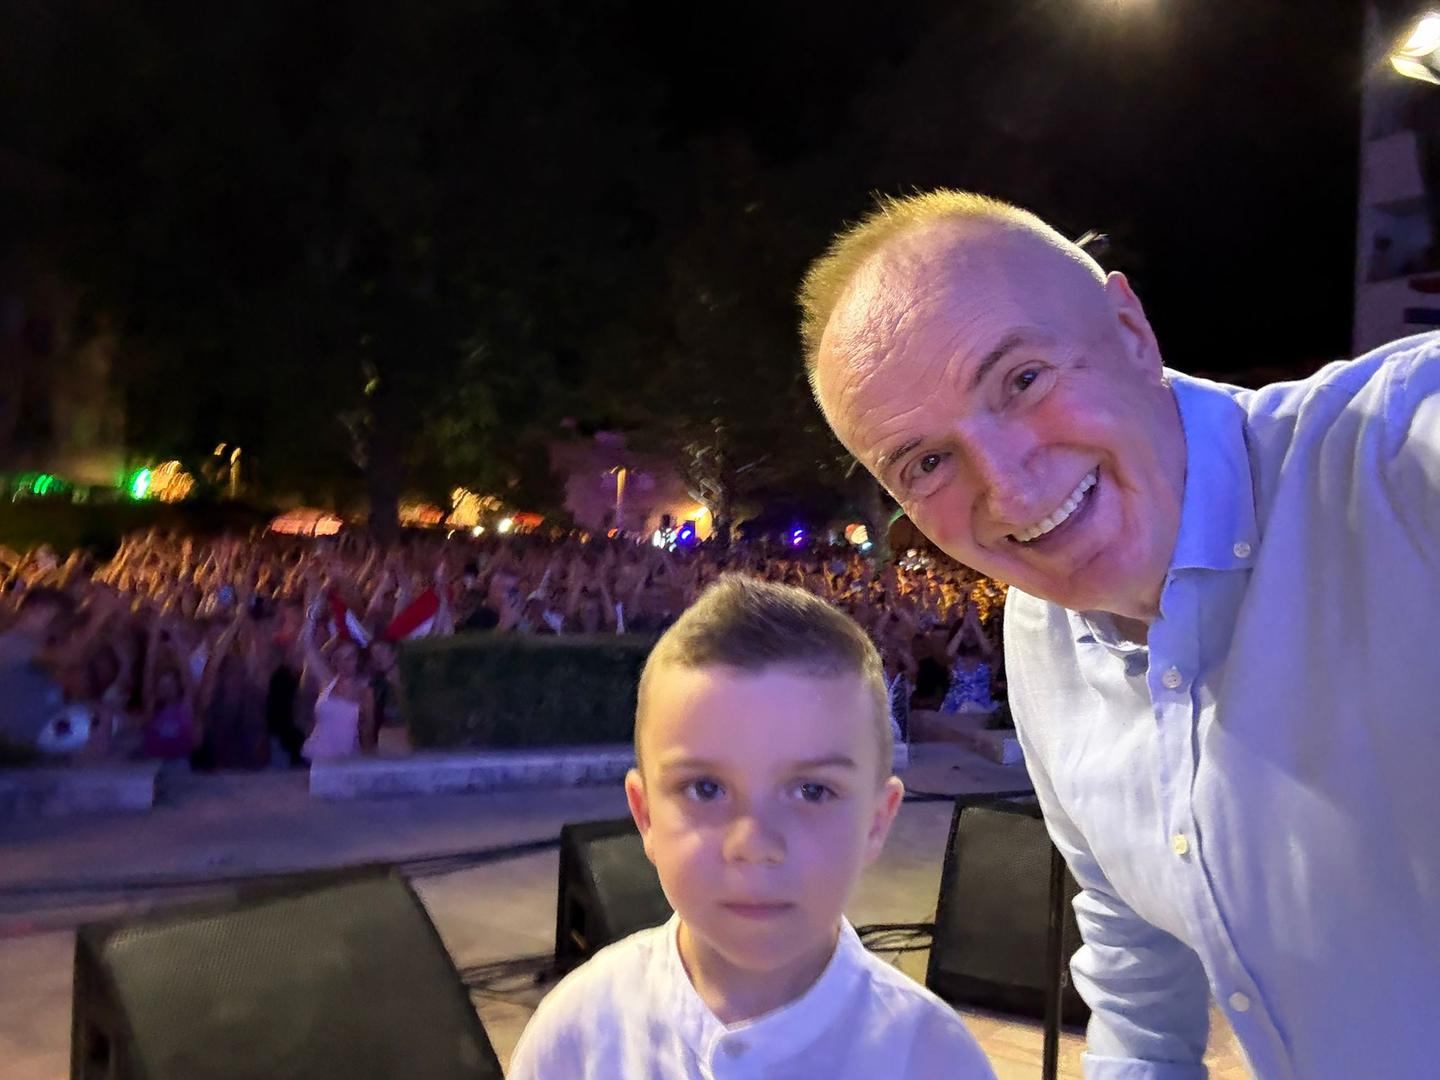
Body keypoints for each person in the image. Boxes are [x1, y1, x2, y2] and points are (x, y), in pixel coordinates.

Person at [803, 189, 1440, 1078]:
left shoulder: (1394, 459)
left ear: (1131, 332)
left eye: (1022, 380)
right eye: (928, 462)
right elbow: (1135, 988)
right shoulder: (1041, 638)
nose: (1011, 492)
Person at [507, 576, 995, 1079]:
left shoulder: (936, 1058)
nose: (755, 844)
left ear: (876, 822)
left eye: (813, 791)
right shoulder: (578, 1032)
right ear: (646, 815)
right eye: (705, 789)